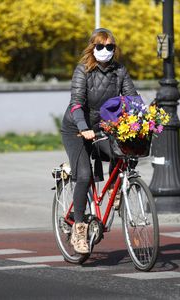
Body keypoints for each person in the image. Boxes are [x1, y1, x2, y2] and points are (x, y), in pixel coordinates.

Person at [61, 28, 138, 254]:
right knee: (84, 175)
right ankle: (78, 229)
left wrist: (144, 120)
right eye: (100, 47)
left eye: (110, 47)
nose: (105, 51)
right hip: (77, 128)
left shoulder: (120, 71)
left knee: (126, 150)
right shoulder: (82, 70)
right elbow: (76, 103)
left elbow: (132, 98)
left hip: (103, 128)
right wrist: (84, 128)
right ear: (92, 48)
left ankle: (116, 186)